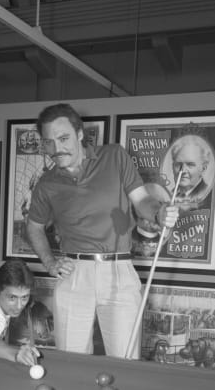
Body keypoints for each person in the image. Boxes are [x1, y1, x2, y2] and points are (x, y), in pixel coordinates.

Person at [26, 103, 179, 358]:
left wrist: (159, 213)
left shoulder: (114, 156)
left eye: (63, 138)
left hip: (118, 271)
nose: (57, 148)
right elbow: (34, 227)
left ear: (80, 134)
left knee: (125, 361)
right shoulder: (46, 184)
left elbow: (142, 200)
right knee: (71, 362)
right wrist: (50, 263)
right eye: (49, 142)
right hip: (74, 273)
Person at [169, 134, 212, 209]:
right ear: (172, 166)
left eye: (190, 164)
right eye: (178, 164)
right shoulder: (169, 195)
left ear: (203, 168)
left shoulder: (207, 194)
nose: (182, 170)